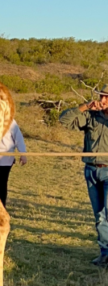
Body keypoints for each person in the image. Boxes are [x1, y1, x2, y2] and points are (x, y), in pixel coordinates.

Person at [60, 85, 108, 267]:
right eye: (101, 96)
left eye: (106, 97)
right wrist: (84, 107)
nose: (102, 100)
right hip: (91, 170)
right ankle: (105, 253)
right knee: (99, 215)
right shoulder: (91, 115)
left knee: (107, 214)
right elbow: (64, 121)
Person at [0, 119, 27, 208]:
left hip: (5, 158)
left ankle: (1, 207)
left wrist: (22, 154)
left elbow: (18, 138)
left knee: (1, 184)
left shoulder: (10, 121)